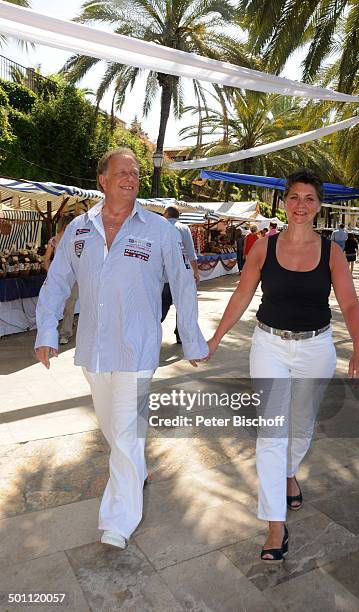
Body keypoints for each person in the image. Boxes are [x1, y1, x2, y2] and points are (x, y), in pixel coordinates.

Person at [35, 147, 208, 550]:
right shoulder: (79, 229)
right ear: (103, 180)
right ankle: (135, 471)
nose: (131, 178)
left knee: (126, 432)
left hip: (138, 347)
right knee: (113, 430)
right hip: (93, 350)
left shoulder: (160, 230)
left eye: (135, 173)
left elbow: (182, 284)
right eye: (122, 172)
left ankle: (119, 520)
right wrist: (47, 332)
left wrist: (192, 338)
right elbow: (58, 281)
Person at [205, 168, 359, 562]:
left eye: (309, 199)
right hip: (269, 346)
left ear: (318, 205)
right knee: (272, 432)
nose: (301, 205)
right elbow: (243, 294)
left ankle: (290, 472)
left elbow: (348, 303)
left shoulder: (331, 252)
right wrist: (215, 338)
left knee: (302, 425)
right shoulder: (263, 247)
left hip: (315, 348)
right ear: (285, 201)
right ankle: (275, 524)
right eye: (294, 197)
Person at [161, 205, 200, 344]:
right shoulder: (184, 228)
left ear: (166, 213)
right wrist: (195, 272)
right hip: (181, 275)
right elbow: (191, 253)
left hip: (162, 276)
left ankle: (152, 330)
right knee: (182, 306)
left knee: (162, 305)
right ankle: (180, 335)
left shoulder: (159, 227)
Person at [43, 215, 79, 345]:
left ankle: (65, 333)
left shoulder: (75, 239)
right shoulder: (54, 241)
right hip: (60, 279)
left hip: (74, 278)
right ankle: (64, 328)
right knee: (59, 306)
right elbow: (46, 259)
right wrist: (50, 275)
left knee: (69, 305)